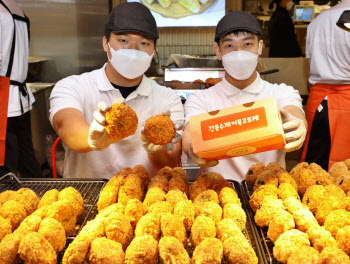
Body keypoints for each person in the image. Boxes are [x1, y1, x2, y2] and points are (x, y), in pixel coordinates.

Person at [49, 2, 184, 179]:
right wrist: (92, 137)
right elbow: (67, 128)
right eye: (123, 41)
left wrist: (156, 149)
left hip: (145, 201)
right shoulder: (73, 86)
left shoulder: (167, 98)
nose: (134, 50)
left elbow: (171, 162)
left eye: (144, 43)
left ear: (153, 52)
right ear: (106, 43)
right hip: (85, 199)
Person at [182, 11, 307, 181]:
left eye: (247, 44)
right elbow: (190, 132)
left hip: (271, 191)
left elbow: (294, 114)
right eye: (230, 46)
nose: (239, 53)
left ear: (260, 47)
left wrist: (297, 126)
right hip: (216, 194)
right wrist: (191, 147)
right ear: (218, 51)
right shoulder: (201, 99)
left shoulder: (280, 92)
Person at [301, 0, 350, 171]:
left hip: (318, 100)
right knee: (343, 173)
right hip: (346, 101)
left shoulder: (316, 21)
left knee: (313, 168)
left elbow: (307, 67)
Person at [0, 0, 41, 178]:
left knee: (4, 168)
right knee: (26, 159)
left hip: (4, 99)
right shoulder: (19, 11)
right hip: (19, 98)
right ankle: (37, 199)